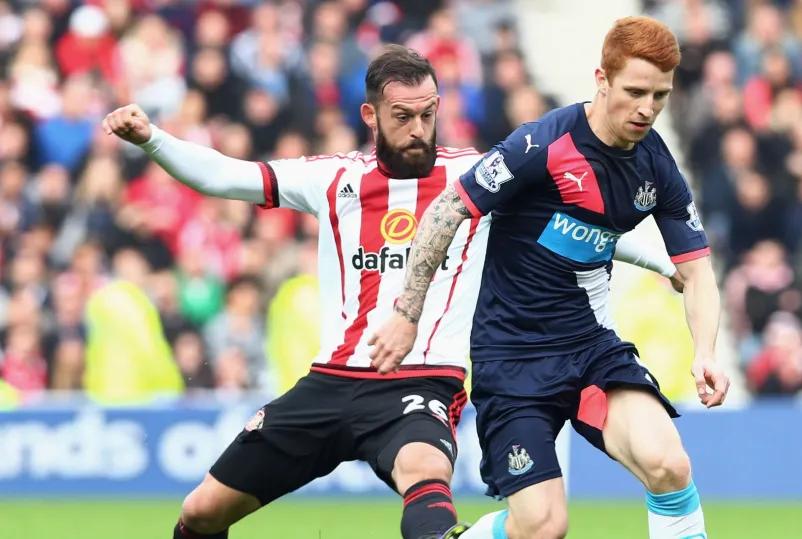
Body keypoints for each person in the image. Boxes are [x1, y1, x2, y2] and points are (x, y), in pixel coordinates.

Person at [103, 45, 681, 539]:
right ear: (371, 115)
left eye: (428, 114)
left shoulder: (477, 176)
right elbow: (225, 175)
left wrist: (662, 262)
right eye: (402, 116)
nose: (417, 128)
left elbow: (574, 225)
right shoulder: (333, 178)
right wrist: (152, 139)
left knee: (427, 477)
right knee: (202, 512)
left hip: (425, 380)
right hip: (330, 382)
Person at [369, 18, 729, 539]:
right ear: (601, 79)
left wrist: (707, 352)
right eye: (634, 92)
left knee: (668, 463)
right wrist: (407, 314)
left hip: (590, 352)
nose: (647, 108)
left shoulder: (656, 165)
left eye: (660, 95)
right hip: (512, 364)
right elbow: (446, 212)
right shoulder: (541, 145)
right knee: (541, 527)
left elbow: (698, 274)